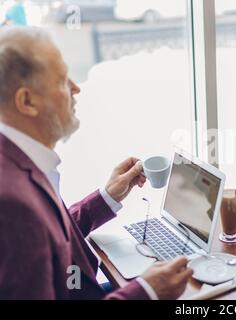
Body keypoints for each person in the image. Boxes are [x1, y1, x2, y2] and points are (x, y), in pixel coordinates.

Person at [0, 26, 193, 299]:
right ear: (27, 101)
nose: (76, 88)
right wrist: (148, 292)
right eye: (62, 80)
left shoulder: (20, 161)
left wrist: (107, 196)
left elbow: (51, 238)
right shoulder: (11, 202)